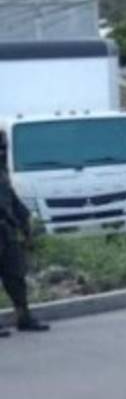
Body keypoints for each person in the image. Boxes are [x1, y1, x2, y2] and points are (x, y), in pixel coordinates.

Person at [0, 139, 49, 337]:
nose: (2, 151)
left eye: (3, 147)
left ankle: (24, 317)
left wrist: (26, 227)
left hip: (7, 233)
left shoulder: (2, 173)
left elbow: (13, 201)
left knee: (16, 276)